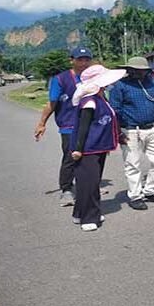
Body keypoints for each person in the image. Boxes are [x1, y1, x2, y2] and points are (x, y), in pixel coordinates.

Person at [108, 57, 154, 210]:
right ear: (128, 69)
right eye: (134, 69)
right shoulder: (120, 86)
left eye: (141, 70)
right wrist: (118, 132)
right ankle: (135, 196)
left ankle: (150, 190)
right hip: (130, 129)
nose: (137, 72)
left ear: (146, 70)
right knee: (133, 164)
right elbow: (115, 110)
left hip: (153, 127)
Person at [69, 65, 126, 231]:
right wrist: (78, 149)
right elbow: (83, 127)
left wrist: (119, 136)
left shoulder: (101, 98)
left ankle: (80, 213)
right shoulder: (90, 101)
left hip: (99, 147)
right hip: (87, 149)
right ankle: (89, 217)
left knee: (89, 183)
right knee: (89, 184)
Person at [34, 46, 93, 207]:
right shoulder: (60, 79)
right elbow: (52, 104)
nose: (84, 63)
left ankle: (87, 187)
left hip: (91, 124)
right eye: (80, 59)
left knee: (90, 157)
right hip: (69, 124)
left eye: (87, 59)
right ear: (71, 60)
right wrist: (42, 123)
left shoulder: (93, 77)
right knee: (70, 156)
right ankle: (66, 189)